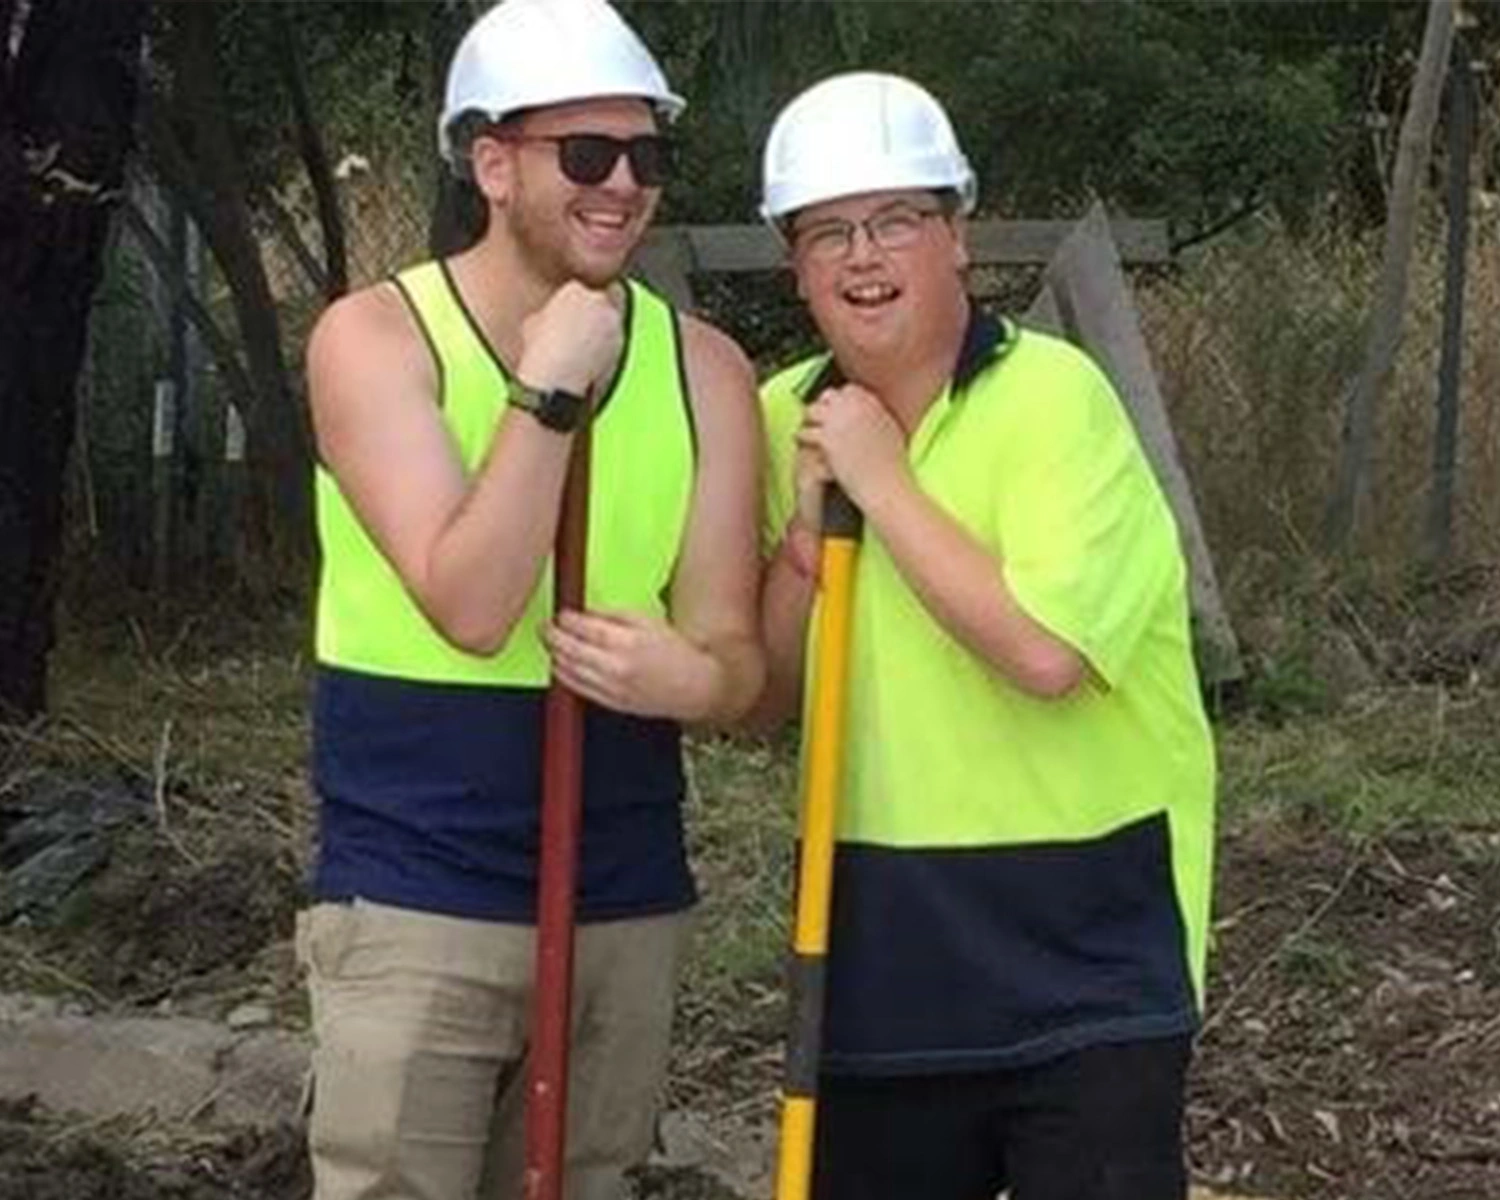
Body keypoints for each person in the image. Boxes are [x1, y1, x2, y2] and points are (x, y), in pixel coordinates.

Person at [296, 1, 764, 1197]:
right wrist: (549, 390)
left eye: (646, 158)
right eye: (588, 155)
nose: (623, 187)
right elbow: (472, 601)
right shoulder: (377, 340)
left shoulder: (703, 368)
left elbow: (732, 656)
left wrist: (691, 680)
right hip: (416, 893)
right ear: (493, 164)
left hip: (620, 888)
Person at [753, 72, 1216, 1200]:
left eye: (896, 220)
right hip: (877, 957)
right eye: (828, 232)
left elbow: (1047, 654)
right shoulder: (780, 421)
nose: (864, 258)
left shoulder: (1059, 401)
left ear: (956, 235)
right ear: (796, 265)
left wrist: (882, 481)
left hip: (1086, 958)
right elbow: (764, 698)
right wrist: (806, 541)